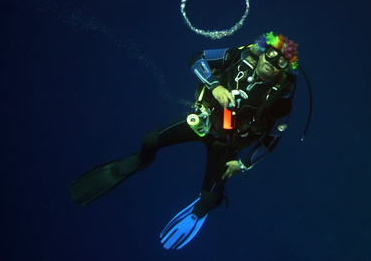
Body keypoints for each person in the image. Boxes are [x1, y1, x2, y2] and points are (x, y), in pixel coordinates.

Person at [69, 31, 300, 250]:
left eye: (280, 62)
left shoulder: (280, 98)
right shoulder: (237, 56)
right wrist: (215, 86)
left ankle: (201, 209)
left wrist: (243, 164)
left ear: (285, 69)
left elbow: (272, 139)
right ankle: (141, 160)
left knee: (210, 199)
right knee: (150, 140)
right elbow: (196, 58)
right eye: (271, 55)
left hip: (227, 143)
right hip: (203, 121)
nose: (272, 63)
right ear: (262, 50)